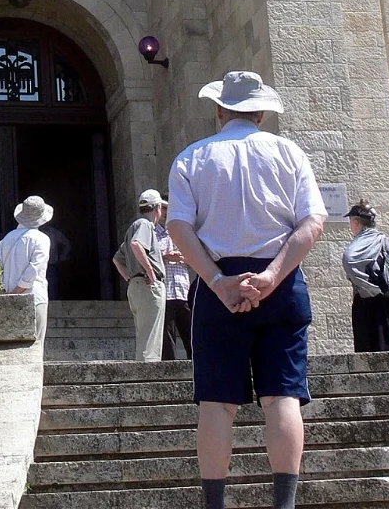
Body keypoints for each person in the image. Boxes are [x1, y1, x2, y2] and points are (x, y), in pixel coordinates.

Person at [166, 72, 326, 509]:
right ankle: (285, 503)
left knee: (216, 403)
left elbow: (178, 225)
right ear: (260, 112)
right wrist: (272, 277)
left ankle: (215, 504)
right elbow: (312, 222)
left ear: (220, 109)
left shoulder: (192, 158)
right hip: (282, 280)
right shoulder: (289, 152)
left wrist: (218, 282)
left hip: (218, 282)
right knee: (282, 396)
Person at [341, 201, 389, 352]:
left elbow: (349, 260)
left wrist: (370, 288)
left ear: (356, 222)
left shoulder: (359, 244)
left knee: (372, 358)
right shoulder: (385, 240)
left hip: (370, 307)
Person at [113, 189, 167, 361]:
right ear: (157, 207)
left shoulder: (134, 226)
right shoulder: (144, 225)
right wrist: (150, 272)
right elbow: (137, 245)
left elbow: (117, 258)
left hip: (137, 285)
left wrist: (129, 277)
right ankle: (150, 378)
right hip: (148, 285)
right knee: (151, 339)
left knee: (145, 336)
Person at [0, 195, 54, 343]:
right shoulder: (42, 239)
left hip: (7, 297)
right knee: (35, 344)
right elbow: (33, 270)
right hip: (34, 296)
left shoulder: (7, 239)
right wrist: (18, 291)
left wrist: (5, 291)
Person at [158, 220, 194, 360]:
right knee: (167, 333)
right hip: (165, 291)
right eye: (164, 208)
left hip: (183, 290)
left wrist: (183, 258)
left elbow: (197, 259)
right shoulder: (154, 235)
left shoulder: (183, 235)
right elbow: (149, 258)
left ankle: (194, 363)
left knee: (190, 330)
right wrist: (166, 257)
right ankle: (169, 366)